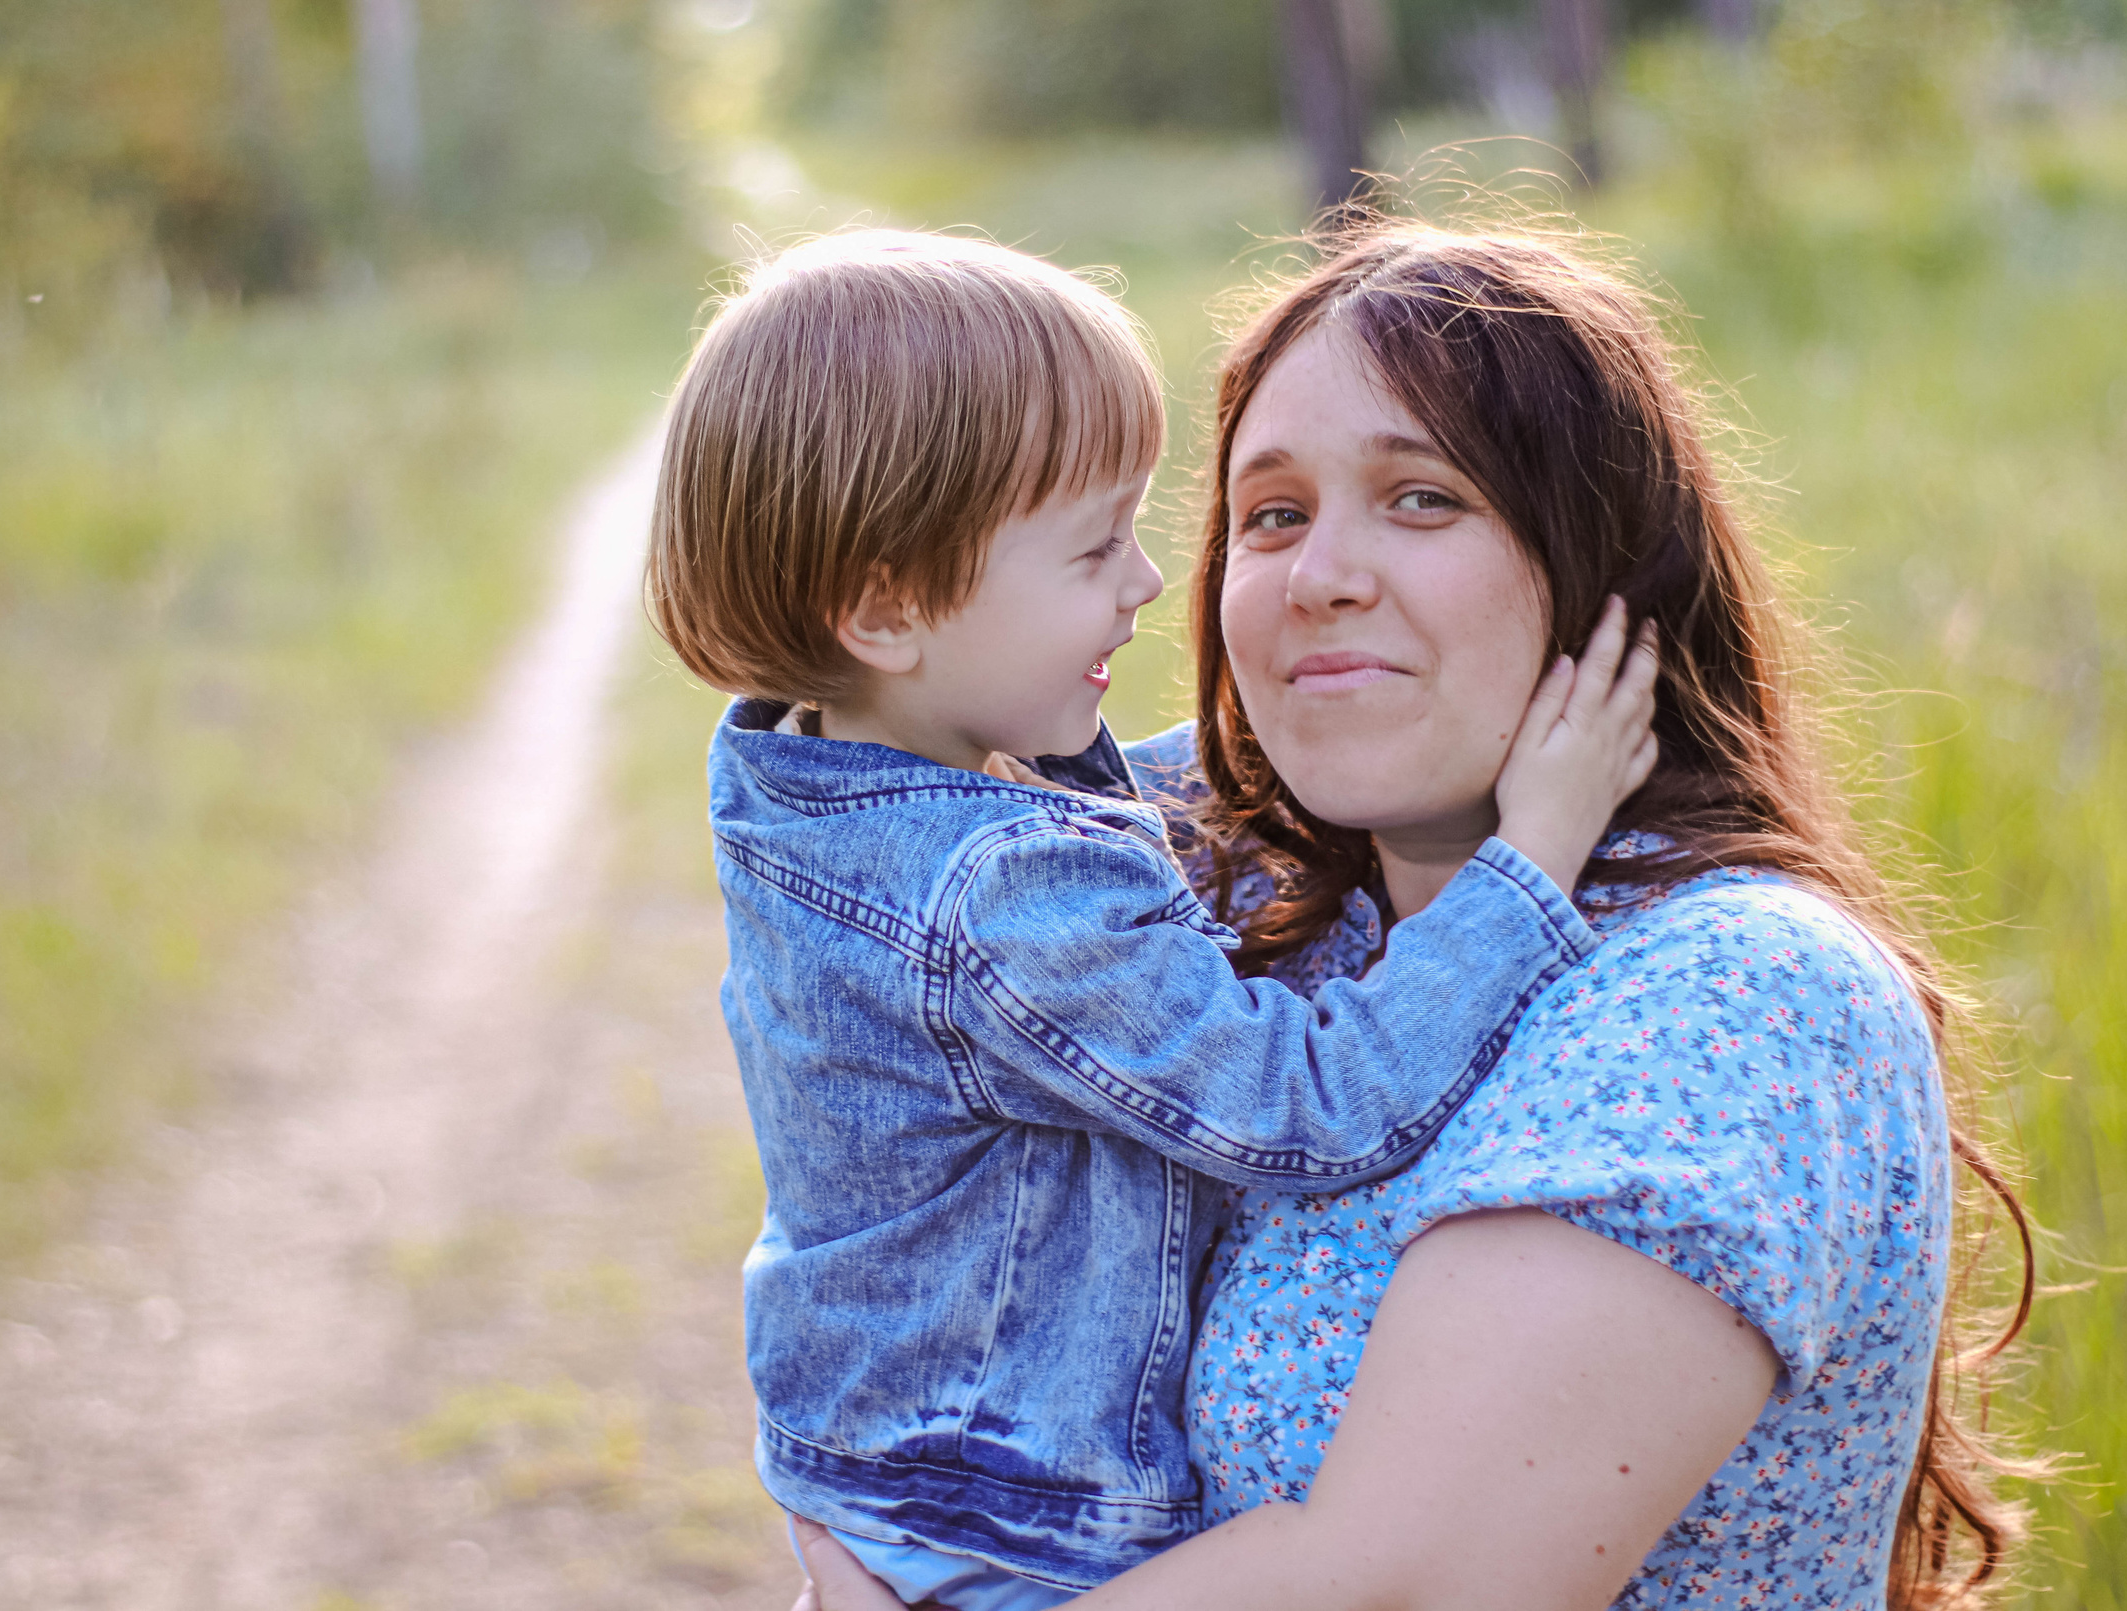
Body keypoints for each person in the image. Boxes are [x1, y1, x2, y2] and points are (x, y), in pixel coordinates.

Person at [790, 223, 2035, 1611]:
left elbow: (1411, 1586)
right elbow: (896, 954)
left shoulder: (1733, 993)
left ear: (1604, 564)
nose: (1319, 574)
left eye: (1423, 498)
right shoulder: (1267, 900)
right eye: (1270, 516)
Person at [644, 228, 1661, 1610]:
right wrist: (1533, 864)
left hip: (882, 1483)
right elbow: (1305, 1100)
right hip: (1017, 1530)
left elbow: (1114, 806)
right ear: (886, 606)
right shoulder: (996, 893)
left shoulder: (802, 775)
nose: (1142, 584)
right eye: (1091, 550)